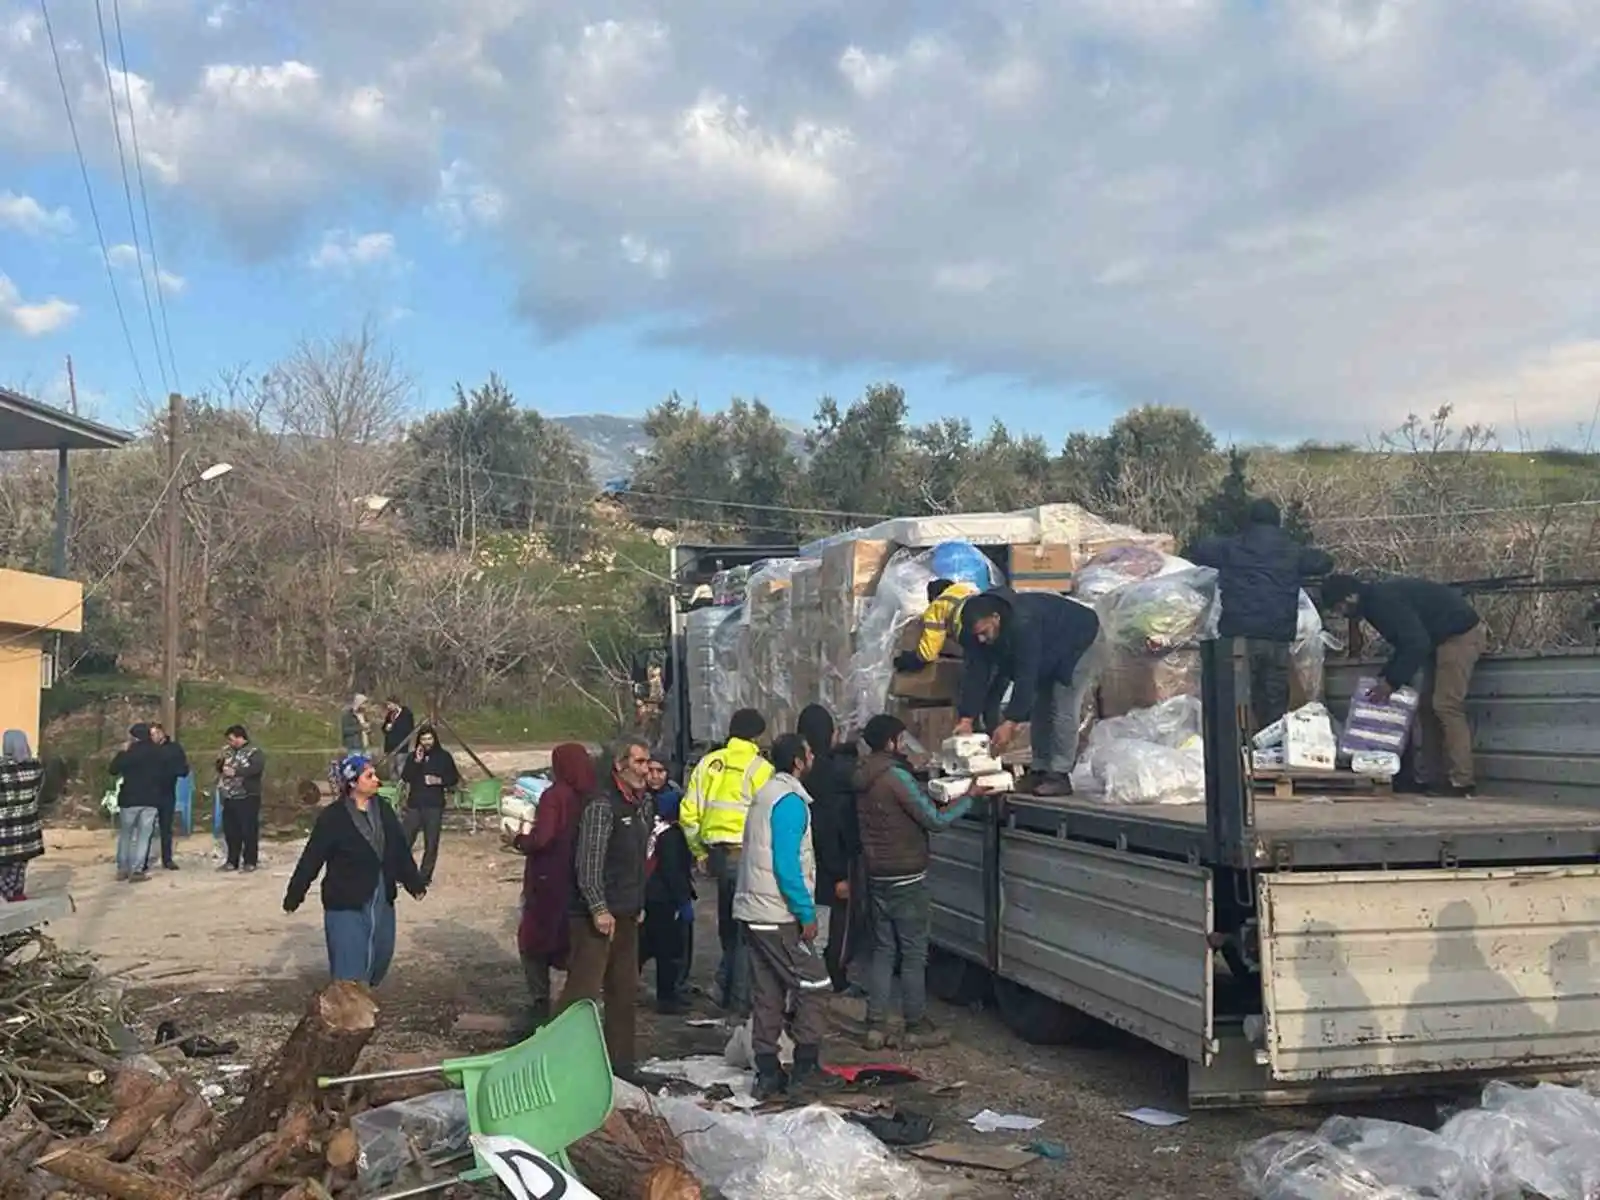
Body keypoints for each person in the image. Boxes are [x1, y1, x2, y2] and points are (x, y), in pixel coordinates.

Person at [854, 713, 978, 1050]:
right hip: (907, 877)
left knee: (883, 950)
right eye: (901, 737)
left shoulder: (864, 775)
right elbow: (935, 820)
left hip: (877, 874)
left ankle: (875, 1026)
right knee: (912, 953)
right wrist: (970, 797)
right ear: (891, 742)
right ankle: (915, 1023)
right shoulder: (895, 776)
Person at [734, 732, 841, 1100]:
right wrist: (805, 913)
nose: (813, 757)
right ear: (798, 760)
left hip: (753, 911)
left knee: (768, 991)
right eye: (809, 752)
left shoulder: (765, 795)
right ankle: (806, 1066)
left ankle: (768, 1072)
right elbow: (786, 864)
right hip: (776, 913)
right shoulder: (791, 801)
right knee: (815, 985)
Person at [1323, 574, 1487, 796]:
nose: (1340, 613)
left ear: (1350, 597)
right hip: (1437, 638)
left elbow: (1415, 642)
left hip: (1460, 635)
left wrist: (1391, 682)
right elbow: (1408, 642)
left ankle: (1462, 781)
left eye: (1339, 606)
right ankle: (1432, 778)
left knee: (1446, 705)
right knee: (1426, 708)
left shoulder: (1382, 602)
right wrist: (1388, 676)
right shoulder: (1374, 602)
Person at [1188, 499, 1334, 732]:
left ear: (1250, 520)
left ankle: (1238, 748)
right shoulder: (1291, 550)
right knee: (1273, 696)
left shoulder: (1232, 547)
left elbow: (1198, 549)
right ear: (1277, 522)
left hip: (1238, 636)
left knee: (1239, 694)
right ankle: (1269, 746)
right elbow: (1324, 562)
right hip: (1277, 636)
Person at [284, 753, 426, 986]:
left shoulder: (383, 809)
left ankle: (364, 996)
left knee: (381, 953)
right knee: (349, 962)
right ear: (352, 782)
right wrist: (295, 894)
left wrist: (414, 883)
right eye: (369, 776)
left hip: (380, 893)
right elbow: (312, 858)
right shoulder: (333, 818)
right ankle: (348, 1009)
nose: (376, 780)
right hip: (346, 897)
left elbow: (398, 848)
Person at [557, 738, 654, 1077]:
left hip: (627, 911)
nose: (645, 770)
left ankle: (621, 1066)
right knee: (582, 994)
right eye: (639, 763)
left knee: (624, 991)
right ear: (620, 765)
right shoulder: (601, 805)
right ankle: (558, 1062)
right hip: (595, 916)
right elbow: (589, 862)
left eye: (647, 763)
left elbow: (638, 861)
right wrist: (598, 907)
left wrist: (638, 902)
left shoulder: (641, 805)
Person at [953, 587, 1101, 796]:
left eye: (985, 633)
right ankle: (1040, 769)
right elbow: (975, 675)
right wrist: (966, 717)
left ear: (996, 618)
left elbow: (1026, 675)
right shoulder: (974, 635)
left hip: (1077, 640)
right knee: (1041, 705)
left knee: (1062, 705)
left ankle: (1060, 774)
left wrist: (1010, 721)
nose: (982, 641)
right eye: (977, 635)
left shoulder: (1023, 623)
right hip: (1047, 645)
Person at [680, 708, 774, 1014]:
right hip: (746, 855)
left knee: (728, 928)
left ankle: (722, 987)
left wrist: (700, 852)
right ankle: (739, 1002)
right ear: (756, 735)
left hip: (718, 855)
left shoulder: (709, 763)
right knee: (747, 930)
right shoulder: (761, 768)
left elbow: (689, 813)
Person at [512, 743, 592, 1030]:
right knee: (573, 939)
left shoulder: (555, 796)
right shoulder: (592, 795)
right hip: (581, 876)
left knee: (533, 940)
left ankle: (540, 999)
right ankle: (577, 999)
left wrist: (520, 840)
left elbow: (543, 837)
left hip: (549, 878)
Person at [796, 704, 862, 993]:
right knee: (832, 925)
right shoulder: (834, 775)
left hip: (800, 860)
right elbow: (831, 825)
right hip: (827, 864)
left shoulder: (797, 771)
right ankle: (830, 979)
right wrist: (839, 873)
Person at [640, 766, 694, 1014]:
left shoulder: (653, 829)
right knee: (669, 951)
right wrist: (683, 900)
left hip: (649, 894)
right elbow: (674, 870)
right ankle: (667, 997)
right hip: (664, 898)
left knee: (644, 946)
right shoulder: (671, 835)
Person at [400, 726, 458, 886]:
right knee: (405, 840)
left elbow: (453, 778)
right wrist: (416, 762)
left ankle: (424, 876)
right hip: (415, 804)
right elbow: (405, 777)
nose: (426, 743)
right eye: (423, 739)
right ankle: (403, 873)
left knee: (431, 843)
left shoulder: (444, 757)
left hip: (434, 805)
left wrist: (439, 780)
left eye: (429, 739)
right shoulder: (413, 757)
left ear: (435, 739)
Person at [109, 725, 166, 883]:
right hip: (151, 799)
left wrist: (121, 753)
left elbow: (113, 770)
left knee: (126, 834)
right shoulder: (158, 753)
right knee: (144, 835)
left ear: (133, 738)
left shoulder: (128, 753)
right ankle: (138, 869)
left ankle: (122, 868)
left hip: (129, 798)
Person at [892, 578, 981, 673]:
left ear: (934, 597)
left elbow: (929, 652)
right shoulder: (967, 590)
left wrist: (908, 660)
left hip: (974, 637)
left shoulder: (938, 605)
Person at [0, 730, 44, 902]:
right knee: (19, 864)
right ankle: (17, 894)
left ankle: (7, 893)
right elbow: (38, 793)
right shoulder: (35, 766)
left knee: (3, 865)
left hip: (4, 827)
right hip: (27, 826)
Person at [216, 725, 266, 872]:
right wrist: (221, 767)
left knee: (248, 830)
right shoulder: (227, 752)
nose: (230, 743)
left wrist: (236, 772)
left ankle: (250, 861)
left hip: (247, 796)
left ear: (240, 737)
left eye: (232, 739)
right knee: (231, 831)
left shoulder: (254, 752)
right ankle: (232, 860)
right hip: (229, 796)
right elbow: (219, 766)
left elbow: (256, 769)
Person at [145, 723, 189, 872]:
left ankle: (167, 859)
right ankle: (142, 859)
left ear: (162, 733)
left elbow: (183, 768)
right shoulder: (147, 749)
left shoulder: (174, 748)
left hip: (167, 792)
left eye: (156, 733)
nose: (154, 737)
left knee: (166, 828)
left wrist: (171, 769)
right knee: (147, 828)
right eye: (151, 734)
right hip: (149, 792)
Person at [382, 699, 415, 779]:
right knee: (391, 767)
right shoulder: (390, 715)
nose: (388, 707)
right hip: (390, 746)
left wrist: (394, 727)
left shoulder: (406, 714)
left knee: (401, 766)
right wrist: (386, 728)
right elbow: (384, 727)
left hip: (401, 745)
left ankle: (402, 785)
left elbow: (409, 729)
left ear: (395, 704)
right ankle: (393, 786)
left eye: (389, 704)